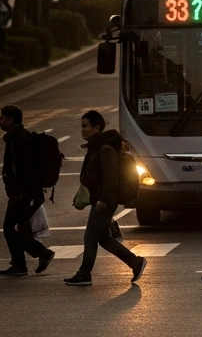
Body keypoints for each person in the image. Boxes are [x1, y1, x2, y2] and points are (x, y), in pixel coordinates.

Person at [64, 110, 145, 286]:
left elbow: (111, 178)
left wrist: (103, 199)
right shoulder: (96, 146)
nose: (82, 130)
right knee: (103, 238)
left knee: (90, 237)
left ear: (97, 127)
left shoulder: (105, 149)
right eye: (81, 126)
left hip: (105, 200)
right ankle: (135, 262)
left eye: (85, 126)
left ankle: (84, 274)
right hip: (101, 198)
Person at [0, 105, 54, 277]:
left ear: (11, 120)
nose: (0, 121)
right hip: (22, 193)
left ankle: (39, 254)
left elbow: (27, 169)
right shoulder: (15, 138)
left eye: (3, 118)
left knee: (10, 227)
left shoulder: (19, 140)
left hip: (25, 193)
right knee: (13, 227)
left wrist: (23, 193)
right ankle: (20, 263)